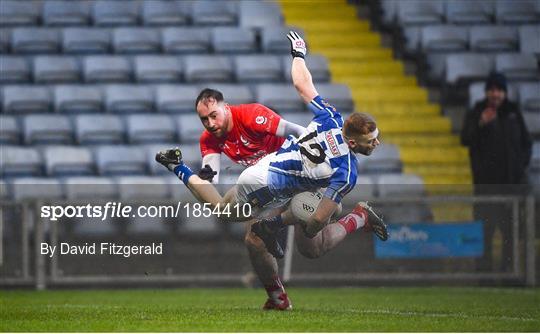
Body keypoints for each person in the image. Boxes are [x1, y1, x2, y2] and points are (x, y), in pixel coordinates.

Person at [156, 31, 388, 310]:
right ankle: (278, 296)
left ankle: (359, 217)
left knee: (311, 247)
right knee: (259, 234)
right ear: (352, 142)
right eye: (371, 140)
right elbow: (314, 221)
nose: (377, 143)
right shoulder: (348, 171)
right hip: (268, 182)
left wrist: (299, 53)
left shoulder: (330, 116)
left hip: (274, 173)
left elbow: (302, 83)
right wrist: (298, 216)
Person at [461, 72, 532, 271]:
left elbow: (526, 144)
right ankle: (484, 278)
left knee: (510, 235)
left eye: (499, 90)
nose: (495, 94)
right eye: (492, 90)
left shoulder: (513, 112)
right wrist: (481, 123)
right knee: (484, 234)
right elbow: (465, 139)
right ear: (486, 92)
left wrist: (519, 167)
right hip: (485, 188)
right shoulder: (477, 111)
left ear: (505, 93)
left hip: (512, 187)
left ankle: (510, 277)